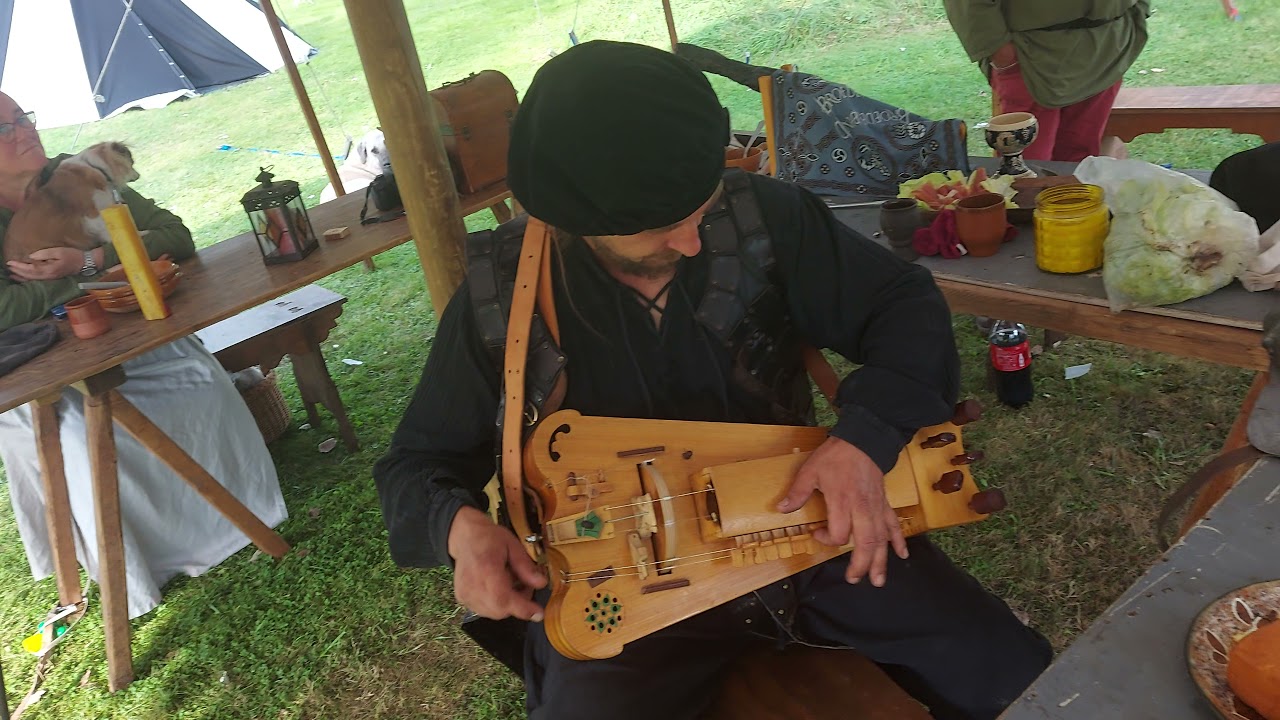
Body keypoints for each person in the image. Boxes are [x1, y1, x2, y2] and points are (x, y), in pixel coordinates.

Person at [374, 41, 1051, 720]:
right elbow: (418, 460)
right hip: (627, 592)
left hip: (808, 534)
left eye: (700, 210)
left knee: (1014, 678)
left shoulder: (760, 214)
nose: (695, 241)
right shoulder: (502, 291)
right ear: (580, 221)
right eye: (665, 228)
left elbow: (904, 306)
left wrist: (863, 440)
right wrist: (456, 528)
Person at [0, 91, 288, 619]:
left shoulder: (79, 172)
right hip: (41, 372)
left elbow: (176, 236)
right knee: (80, 435)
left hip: (128, 332)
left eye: (24, 118)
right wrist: (82, 277)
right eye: (5, 129)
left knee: (196, 377)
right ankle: (141, 563)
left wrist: (86, 262)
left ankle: (234, 514)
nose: (25, 131)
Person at [942, 0, 1151, 162]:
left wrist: (1138, 11)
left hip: (1108, 48)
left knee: (1080, 164)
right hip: (1033, 55)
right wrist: (1000, 53)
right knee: (1026, 172)